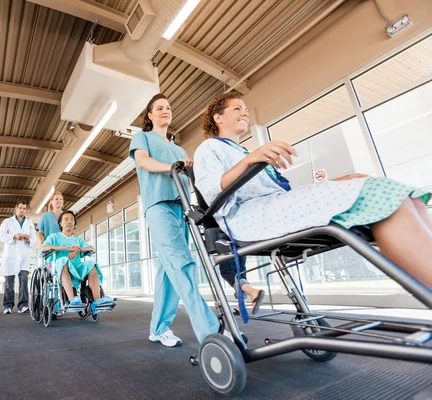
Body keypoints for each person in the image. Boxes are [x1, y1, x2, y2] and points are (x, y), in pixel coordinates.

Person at [193, 92, 432, 290]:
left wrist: (334, 184)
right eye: (237, 109)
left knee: (405, 197)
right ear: (218, 118)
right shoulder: (209, 148)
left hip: (274, 207)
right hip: (248, 216)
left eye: (245, 109)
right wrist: (251, 160)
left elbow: (284, 196)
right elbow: (213, 192)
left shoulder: (242, 152)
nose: (245, 112)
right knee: (377, 196)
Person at [129, 93, 223, 348]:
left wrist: (188, 167)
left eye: (168, 108)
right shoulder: (143, 138)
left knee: (168, 272)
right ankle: (211, 331)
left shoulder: (179, 149)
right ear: (149, 115)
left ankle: (159, 329)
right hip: (158, 206)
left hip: (181, 208)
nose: (164, 111)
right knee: (182, 263)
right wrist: (175, 164)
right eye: (158, 108)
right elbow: (143, 162)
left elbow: (188, 177)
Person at [41, 210, 114, 314]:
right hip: (58, 265)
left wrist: (78, 249)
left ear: (74, 224)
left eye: (72, 220)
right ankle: (72, 300)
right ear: (60, 223)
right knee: (63, 260)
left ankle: (97, 302)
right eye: (66, 219)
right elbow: (44, 248)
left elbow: (92, 249)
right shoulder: (54, 237)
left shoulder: (78, 240)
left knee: (91, 264)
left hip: (76, 266)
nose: (69, 222)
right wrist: (66, 248)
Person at [0, 200, 37, 314]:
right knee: (9, 281)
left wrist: (29, 239)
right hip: (11, 254)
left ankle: (23, 305)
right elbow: (1, 235)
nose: (22, 210)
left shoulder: (29, 223)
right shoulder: (7, 221)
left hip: (24, 253)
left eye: (24, 208)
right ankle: (8, 305)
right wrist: (14, 236)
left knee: (24, 279)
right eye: (20, 208)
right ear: (16, 208)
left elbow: (34, 238)